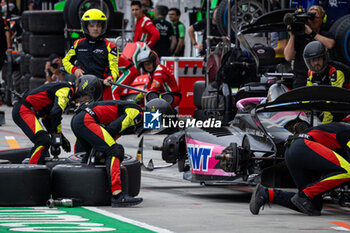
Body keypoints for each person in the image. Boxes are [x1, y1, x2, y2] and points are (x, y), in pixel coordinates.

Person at [71, 75, 143, 207]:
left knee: (91, 155)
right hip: (86, 120)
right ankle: (117, 195)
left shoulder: (123, 108)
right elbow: (114, 128)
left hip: (78, 120)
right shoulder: (136, 110)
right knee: (115, 150)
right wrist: (110, 141)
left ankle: (78, 192)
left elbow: (115, 128)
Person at [249, 121, 350, 216]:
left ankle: (266, 194)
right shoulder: (347, 131)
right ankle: (305, 194)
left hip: (294, 150)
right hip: (303, 146)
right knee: (347, 171)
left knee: (313, 205)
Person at [12, 81, 76, 164]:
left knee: (42, 141)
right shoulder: (66, 90)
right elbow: (56, 113)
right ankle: (31, 173)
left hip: (26, 110)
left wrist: (59, 137)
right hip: (23, 110)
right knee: (43, 140)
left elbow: (47, 120)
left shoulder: (61, 88)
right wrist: (58, 134)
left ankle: (28, 164)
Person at [62, 9, 118, 101]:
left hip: (103, 91)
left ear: (103, 27)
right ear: (86, 26)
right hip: (84, 91)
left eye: (98, 25)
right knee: (83, 115)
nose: (95, 28)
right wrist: (74, 70)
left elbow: (114, 70)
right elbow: (65, 61)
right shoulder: (77, 44)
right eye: (92, 25)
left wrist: (110, 78)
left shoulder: (110, 46)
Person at [284, 5, 335, 89]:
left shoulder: (326, 34)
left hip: (322, 77)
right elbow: (288, 57)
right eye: (310, 17)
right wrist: (292, 35)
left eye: (316, 17)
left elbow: (330, 44)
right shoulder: (300, 35)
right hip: (302, 77)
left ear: (323, 19)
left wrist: (312, 33)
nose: (313, 20)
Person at [304, 41, 346, 123]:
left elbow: (332, 101)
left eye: (318, 59)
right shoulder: (311, 72)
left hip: (344, 107)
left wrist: (322, 127)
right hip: (329, 106)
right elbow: (307, 95)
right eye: (313, 60)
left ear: (324, 58)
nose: (316, 63)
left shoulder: (336, 72)